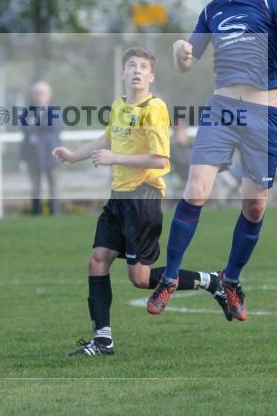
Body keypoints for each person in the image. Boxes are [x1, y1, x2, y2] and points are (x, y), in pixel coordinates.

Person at [147, 0, 277, 321]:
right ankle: (170, 277)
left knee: (254, 206)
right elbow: (188, 64)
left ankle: (230, 280)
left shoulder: (269, 2)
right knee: (195, 190)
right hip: (222, 110)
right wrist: (179, 51)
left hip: (263, 114)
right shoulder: (210, 11)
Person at [53, 48, 227, 357]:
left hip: (143, 198)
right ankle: (103, 340)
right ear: (122, 73)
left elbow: (160, 160)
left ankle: (210, 281)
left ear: (151, 76)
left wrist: (115, 159)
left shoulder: (155, 108)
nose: (136, 70)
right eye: (131, 65)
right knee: (97, 260)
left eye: (143, 67)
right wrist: (72, 157)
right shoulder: (120, 105)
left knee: (140, 278)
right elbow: (106, 141)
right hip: (119, 198)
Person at [20, 80, 62, 215]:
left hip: (52, 155)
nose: (39, 97)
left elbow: (54, 125)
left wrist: (36, 123)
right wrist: (39, 124)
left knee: (53, 187)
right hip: (33, 156)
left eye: (42, 94)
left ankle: (54, 213)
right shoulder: (28, 111)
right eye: (37, 94)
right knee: (35, 187)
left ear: (48, 95)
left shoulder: (54, 110)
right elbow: (23, 126)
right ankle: (36, 214)